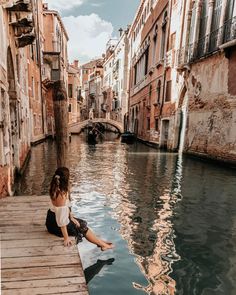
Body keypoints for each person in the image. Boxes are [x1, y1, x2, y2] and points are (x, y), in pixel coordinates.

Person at [46, 167, 114, 250]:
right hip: (55, 224)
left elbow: (65, 208)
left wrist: (71, 217)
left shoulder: (56, 188)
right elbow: (61, 220)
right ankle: (101, 244)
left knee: (80, 223)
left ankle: (99, 242)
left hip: (52, 218)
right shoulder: (61, 195)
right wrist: (66, 238)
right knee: (81, 227)